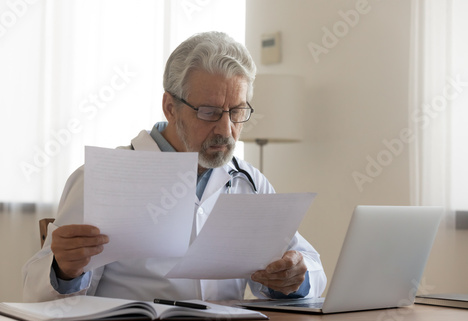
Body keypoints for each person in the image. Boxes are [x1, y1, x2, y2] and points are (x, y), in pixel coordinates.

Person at [22, 31, 326, 302]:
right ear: (170, 107)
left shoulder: (249, 182)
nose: (226, 129)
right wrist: (64, 270)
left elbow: (309, 267)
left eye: (237, 111)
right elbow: (36, 292)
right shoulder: (101, 177)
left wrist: (294, 276)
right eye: (209, 112)